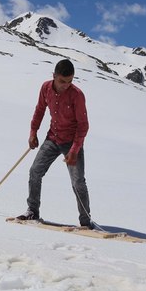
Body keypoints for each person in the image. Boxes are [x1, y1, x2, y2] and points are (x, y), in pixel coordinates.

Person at [17, 59, 93, 228]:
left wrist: (74, 150)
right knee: (35, 171)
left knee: (78, 181)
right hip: (53, 138)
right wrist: (33, 133)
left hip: (72, 142)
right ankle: (32, 211)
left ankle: (86, 222)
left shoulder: (77, 95)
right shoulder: (45, 88)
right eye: (62, 81)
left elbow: (83, 125)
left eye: (70, 81)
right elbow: (39, 110)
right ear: (54, 76)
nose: (66, 85)